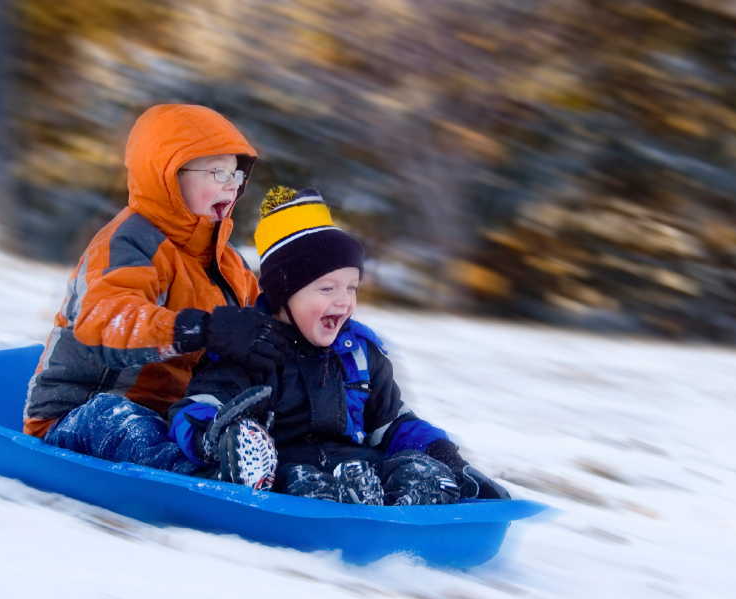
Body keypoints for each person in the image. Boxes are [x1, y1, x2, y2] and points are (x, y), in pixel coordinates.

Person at [168, 187, 510, 505]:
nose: (344, 301)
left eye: (352, 287)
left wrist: (444, 455)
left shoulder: (360, 352)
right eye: (328, 289)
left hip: (355, 465)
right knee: (299, 481)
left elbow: (390, 423)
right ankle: (338, 499)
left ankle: (419, 497)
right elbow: (198, 406)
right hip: (279, 470)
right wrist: (216, 439)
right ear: (284, 294)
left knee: (416, 471)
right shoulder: (249, 349)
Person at [23, 104, 289, 474]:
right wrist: (201, 330)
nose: (232, 184)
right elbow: (105, 321)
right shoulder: (128, 243)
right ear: (167, 175)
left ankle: (274, 469)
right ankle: (210, 477)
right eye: (217, 172)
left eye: (236, 174)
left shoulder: (231, 267)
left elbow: (263, 329)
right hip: (79, 414)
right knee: (117, 421)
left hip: (175, 420)